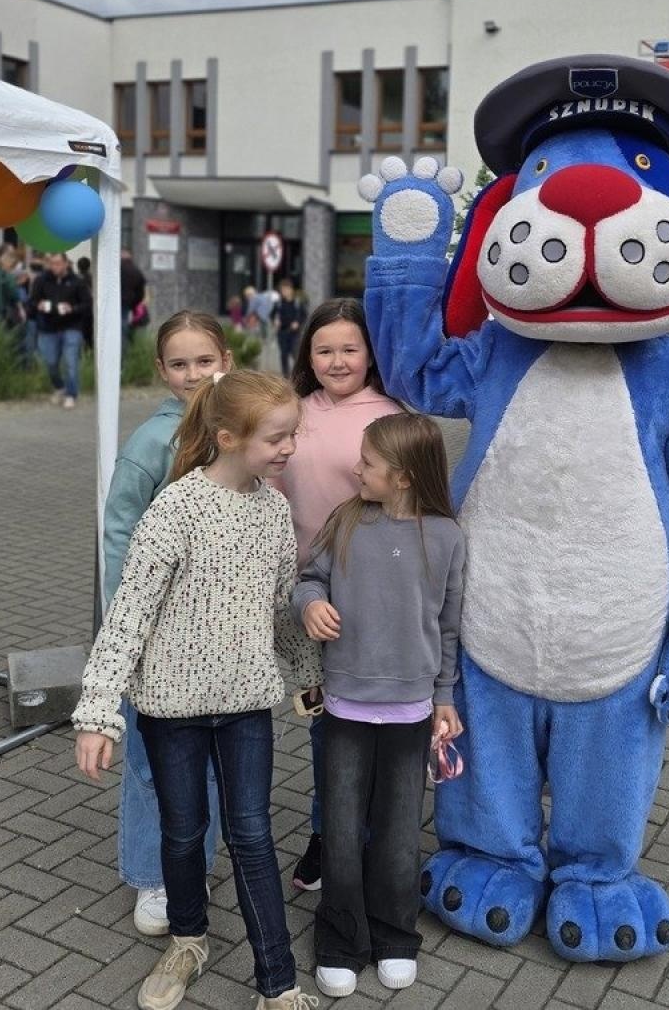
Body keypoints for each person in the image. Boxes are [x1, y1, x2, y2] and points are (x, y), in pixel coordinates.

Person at [72, 369, 321, 1010]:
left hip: (246, 708)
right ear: (229, 437)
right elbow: (129, 614)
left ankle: (278, 983)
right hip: (172, 711)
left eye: (293, 434)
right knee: (183, 833)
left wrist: (309, 677)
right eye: (277, 438)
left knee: (253, 836)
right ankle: (187, 940)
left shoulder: (275, 511)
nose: (290, 448)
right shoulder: (175, 508)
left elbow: (279, 608)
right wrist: (97, 712)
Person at [294, 412, 465, 999]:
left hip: (410, 712)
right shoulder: (346, 519)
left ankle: (395, 934)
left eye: (368, 462)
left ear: (404, 476)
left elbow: (448, 627)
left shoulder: (446, 537)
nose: (356, 468)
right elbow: (309, 578)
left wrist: (444, 697)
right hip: (344, 706)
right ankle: (341, 940)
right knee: (341, 830)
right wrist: (309, 604)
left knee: (397, 833)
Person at [102, 311, 234, 938]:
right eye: (179, 364)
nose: (193, 374)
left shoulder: (237, 430)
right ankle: (153, 874)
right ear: (161, 370)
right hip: (155, 633)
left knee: (205, 759)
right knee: (151, 762)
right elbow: (118, 536)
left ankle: (192, 863)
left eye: (204, 361)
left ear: (226, 360)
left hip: (216, 630)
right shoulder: (152, 443)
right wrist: (123, 631)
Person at [276, 298, 401, 894]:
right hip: (307, 596)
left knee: (370, 723)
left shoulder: (392, 417)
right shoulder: (292, 414)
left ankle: (372, 836)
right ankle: (328, 835)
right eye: (324, 349)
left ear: (371, 353)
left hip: (372, 598)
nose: (337, 360)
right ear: (308, 355)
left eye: (350, 348)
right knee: (323, 722)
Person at [30, 252, 91, 409]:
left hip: (72, 326)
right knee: (50, 363)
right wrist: (39, 305)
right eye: (51, 263)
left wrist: (72, 309)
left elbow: (87, 304)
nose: (54, 267)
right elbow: (32, 301)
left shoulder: (77, 282)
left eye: (57, 263)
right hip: (48, 327)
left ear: (66, 263)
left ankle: (71, 394)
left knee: (71, 361)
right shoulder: (41, 280)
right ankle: (59, 387)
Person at [270, 280, 304, 378]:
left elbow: (304, 315)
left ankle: (298, 375)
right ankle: (286, 376)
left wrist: (298, 323)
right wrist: (275, 321)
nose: (284, 292)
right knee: (284, 354)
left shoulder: (297, 302)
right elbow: (272, 315)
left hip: (294, 333)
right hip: (282, 332)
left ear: (291, 290)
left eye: (286, 289)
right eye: (282, 290)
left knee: (295, 353)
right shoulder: (278, 303)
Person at [121, 250, 149, 338]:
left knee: (122, 322)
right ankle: (129, 341)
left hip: (122, 301)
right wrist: (141, 301)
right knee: (129, 323)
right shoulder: (136, 270)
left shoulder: (118, 270)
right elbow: (143, 287)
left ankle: (123, 343)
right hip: (134, 302)